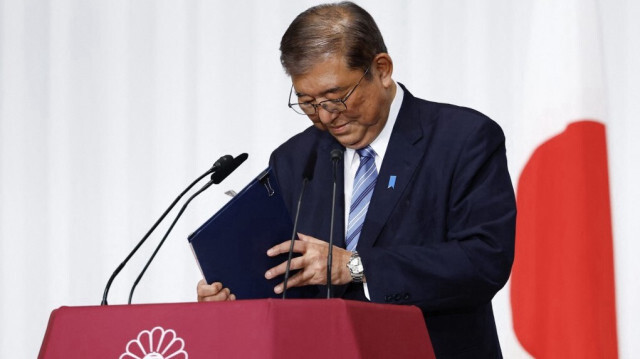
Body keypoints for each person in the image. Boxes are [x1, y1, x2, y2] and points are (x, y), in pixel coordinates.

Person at [197, 2, 516, 358]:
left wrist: (354, 267)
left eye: (336, 98)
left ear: (381, 69)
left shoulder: (463, 139)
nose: (325, 116)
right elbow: (289, 278)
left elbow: (483, 262)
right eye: (307, 102)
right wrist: (237, 297)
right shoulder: (293, 160)